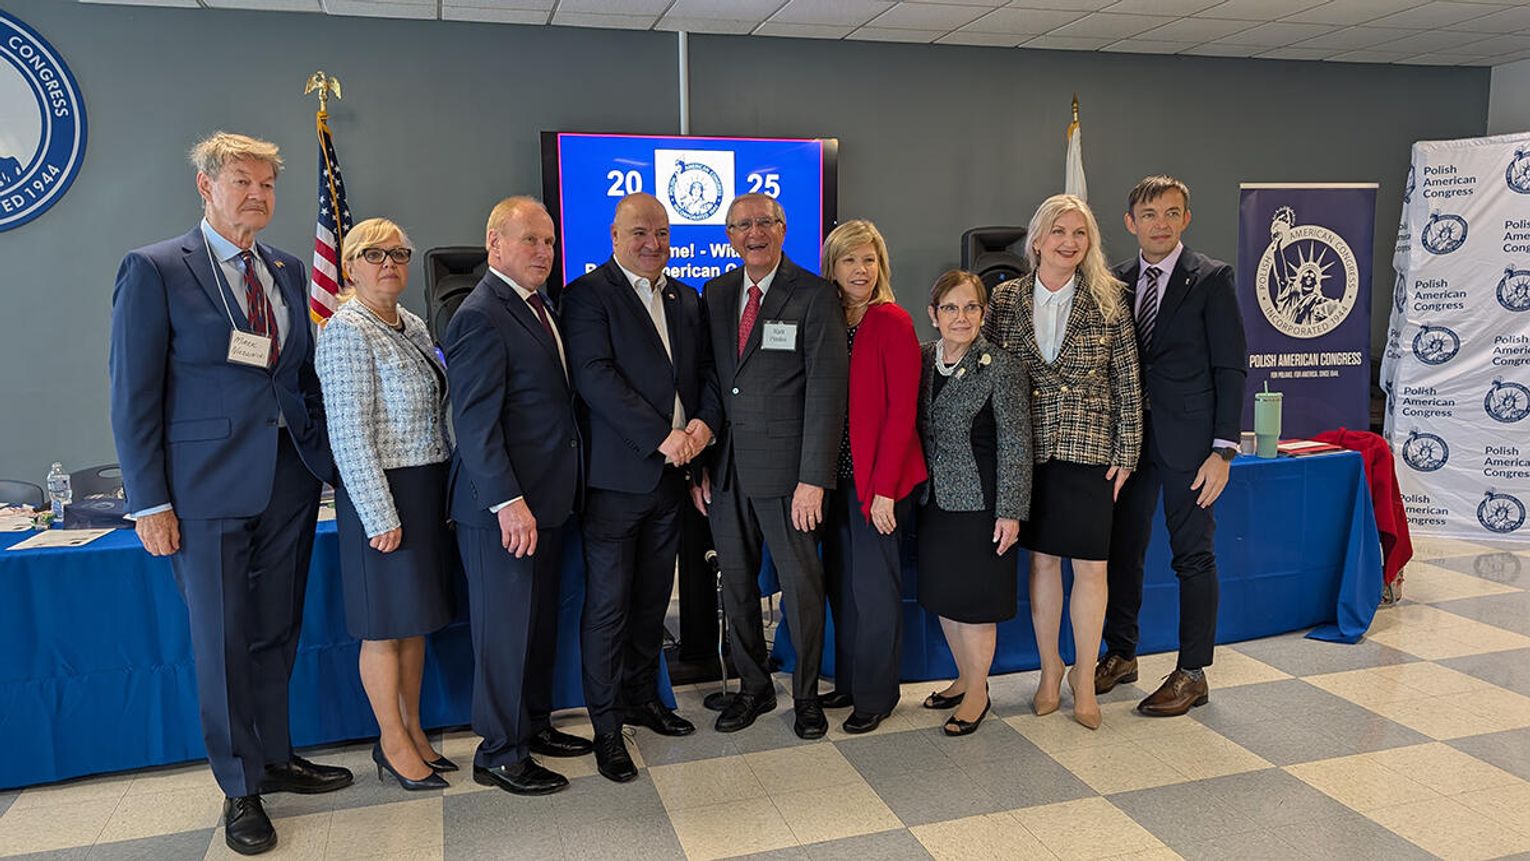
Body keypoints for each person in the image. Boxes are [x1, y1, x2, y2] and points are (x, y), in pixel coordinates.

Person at [108, 131, 351, 856]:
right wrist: (150, 502)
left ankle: (274, 756)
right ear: (206, 187)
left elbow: (296, 376)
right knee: (221, 640)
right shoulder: (155, 268)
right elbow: (132, 394)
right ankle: (240, 787)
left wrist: (323, 457)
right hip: (203, 489)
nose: (257, 195)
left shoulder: (285, 266)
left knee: (276, 628)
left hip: (288, 478)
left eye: (267, 184)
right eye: (242, 181)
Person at [560, 193, 722, 782]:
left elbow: (706, 373)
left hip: (672, 480)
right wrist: (662, 437)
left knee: (653, 602)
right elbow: (595, 379)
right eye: (639, 233)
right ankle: (606, 729)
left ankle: (642, 699)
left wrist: (702, 427)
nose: (653, 243)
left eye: (662, 233)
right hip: (616, 483)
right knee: (609, 608)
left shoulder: (685, 297)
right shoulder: (586, 296)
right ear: (614, 236)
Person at [444, 196, 591, 797]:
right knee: (504, 634)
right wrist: (507, 502)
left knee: (536, 627)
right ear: (495, 243)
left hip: (548, 501)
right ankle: (500, 752)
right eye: (530, 239)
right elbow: (474, 424)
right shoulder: (480, 314)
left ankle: (532, 725)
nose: (544, 251)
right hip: (503, 512)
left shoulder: (538, 306)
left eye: (549, 241)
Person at [691, 193, 848, 739]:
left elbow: (826, 392)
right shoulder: (716, 293)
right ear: (729, 236)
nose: (754, 233)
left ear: (782, 228)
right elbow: (713, 381)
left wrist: (814, 479)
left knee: (801, 590)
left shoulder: (815, 294)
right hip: (726, 471)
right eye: (742, 225)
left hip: (789, 476)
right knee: (736, 586)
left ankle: (805, 696)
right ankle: (753, 688)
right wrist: (701, 463)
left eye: (764, 222)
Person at [984, 194, 1142, 731]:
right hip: (1028, 449)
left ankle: (1084, 677)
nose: (1069, 242)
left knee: (1092, 567)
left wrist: (1127, 452)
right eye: (1059, 231)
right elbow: (988, 371)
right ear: (1037, 240)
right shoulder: (1005, 298)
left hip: (1090, 447)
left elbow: (1128, 381)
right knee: (1044, 563)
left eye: (1079, 233)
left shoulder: (1109, 298)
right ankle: (1049, 668)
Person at [1099, 176, 1248, 716]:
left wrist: (1223, 451)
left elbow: (1231, 366)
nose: (1159, 224)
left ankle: (1192, 673)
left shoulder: (1211, 278)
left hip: (1191, 445)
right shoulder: (1115, 282)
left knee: (1193, 555)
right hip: (1129, 444)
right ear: (1130, 222)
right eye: (1148, 214)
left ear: (1186, 219)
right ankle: (1122, 653)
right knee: (1122, 551)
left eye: (1170, 213)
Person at [315, 218, 453, 792]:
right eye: (374, 254)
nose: (389, 263)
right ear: (350, 266)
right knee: (382, 628)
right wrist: (378, 514)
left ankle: (414, 730)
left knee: (413, 623)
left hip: (424, 488)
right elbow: (348, 434)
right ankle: (392, 743)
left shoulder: (411, 323)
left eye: (398, 253)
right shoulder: (346, 330)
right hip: (383, 495)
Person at [816, 219, 925, 734]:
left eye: (869, 259)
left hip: (879, 482)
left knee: (875, 590)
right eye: (849, 260)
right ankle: (850, 680)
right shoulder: (828, 319)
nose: (860, 270)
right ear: (832, 267)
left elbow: (903, 413)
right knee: (843, 587)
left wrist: (883, 490)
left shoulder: (892, 321)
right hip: (835, 478)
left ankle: (877, 695)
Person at [917, 270, 1030, 737]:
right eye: (950, 308)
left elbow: (1016, 443)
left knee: (977, 603)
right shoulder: (924, 359)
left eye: (970, 307)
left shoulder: (1001, 366)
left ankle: (978, 694)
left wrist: (1011, 511)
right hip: (934, 502)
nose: (960, 317)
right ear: (934, 314)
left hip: (983, 504)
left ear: (984, 313)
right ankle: (964, 678)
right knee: (947, 596)